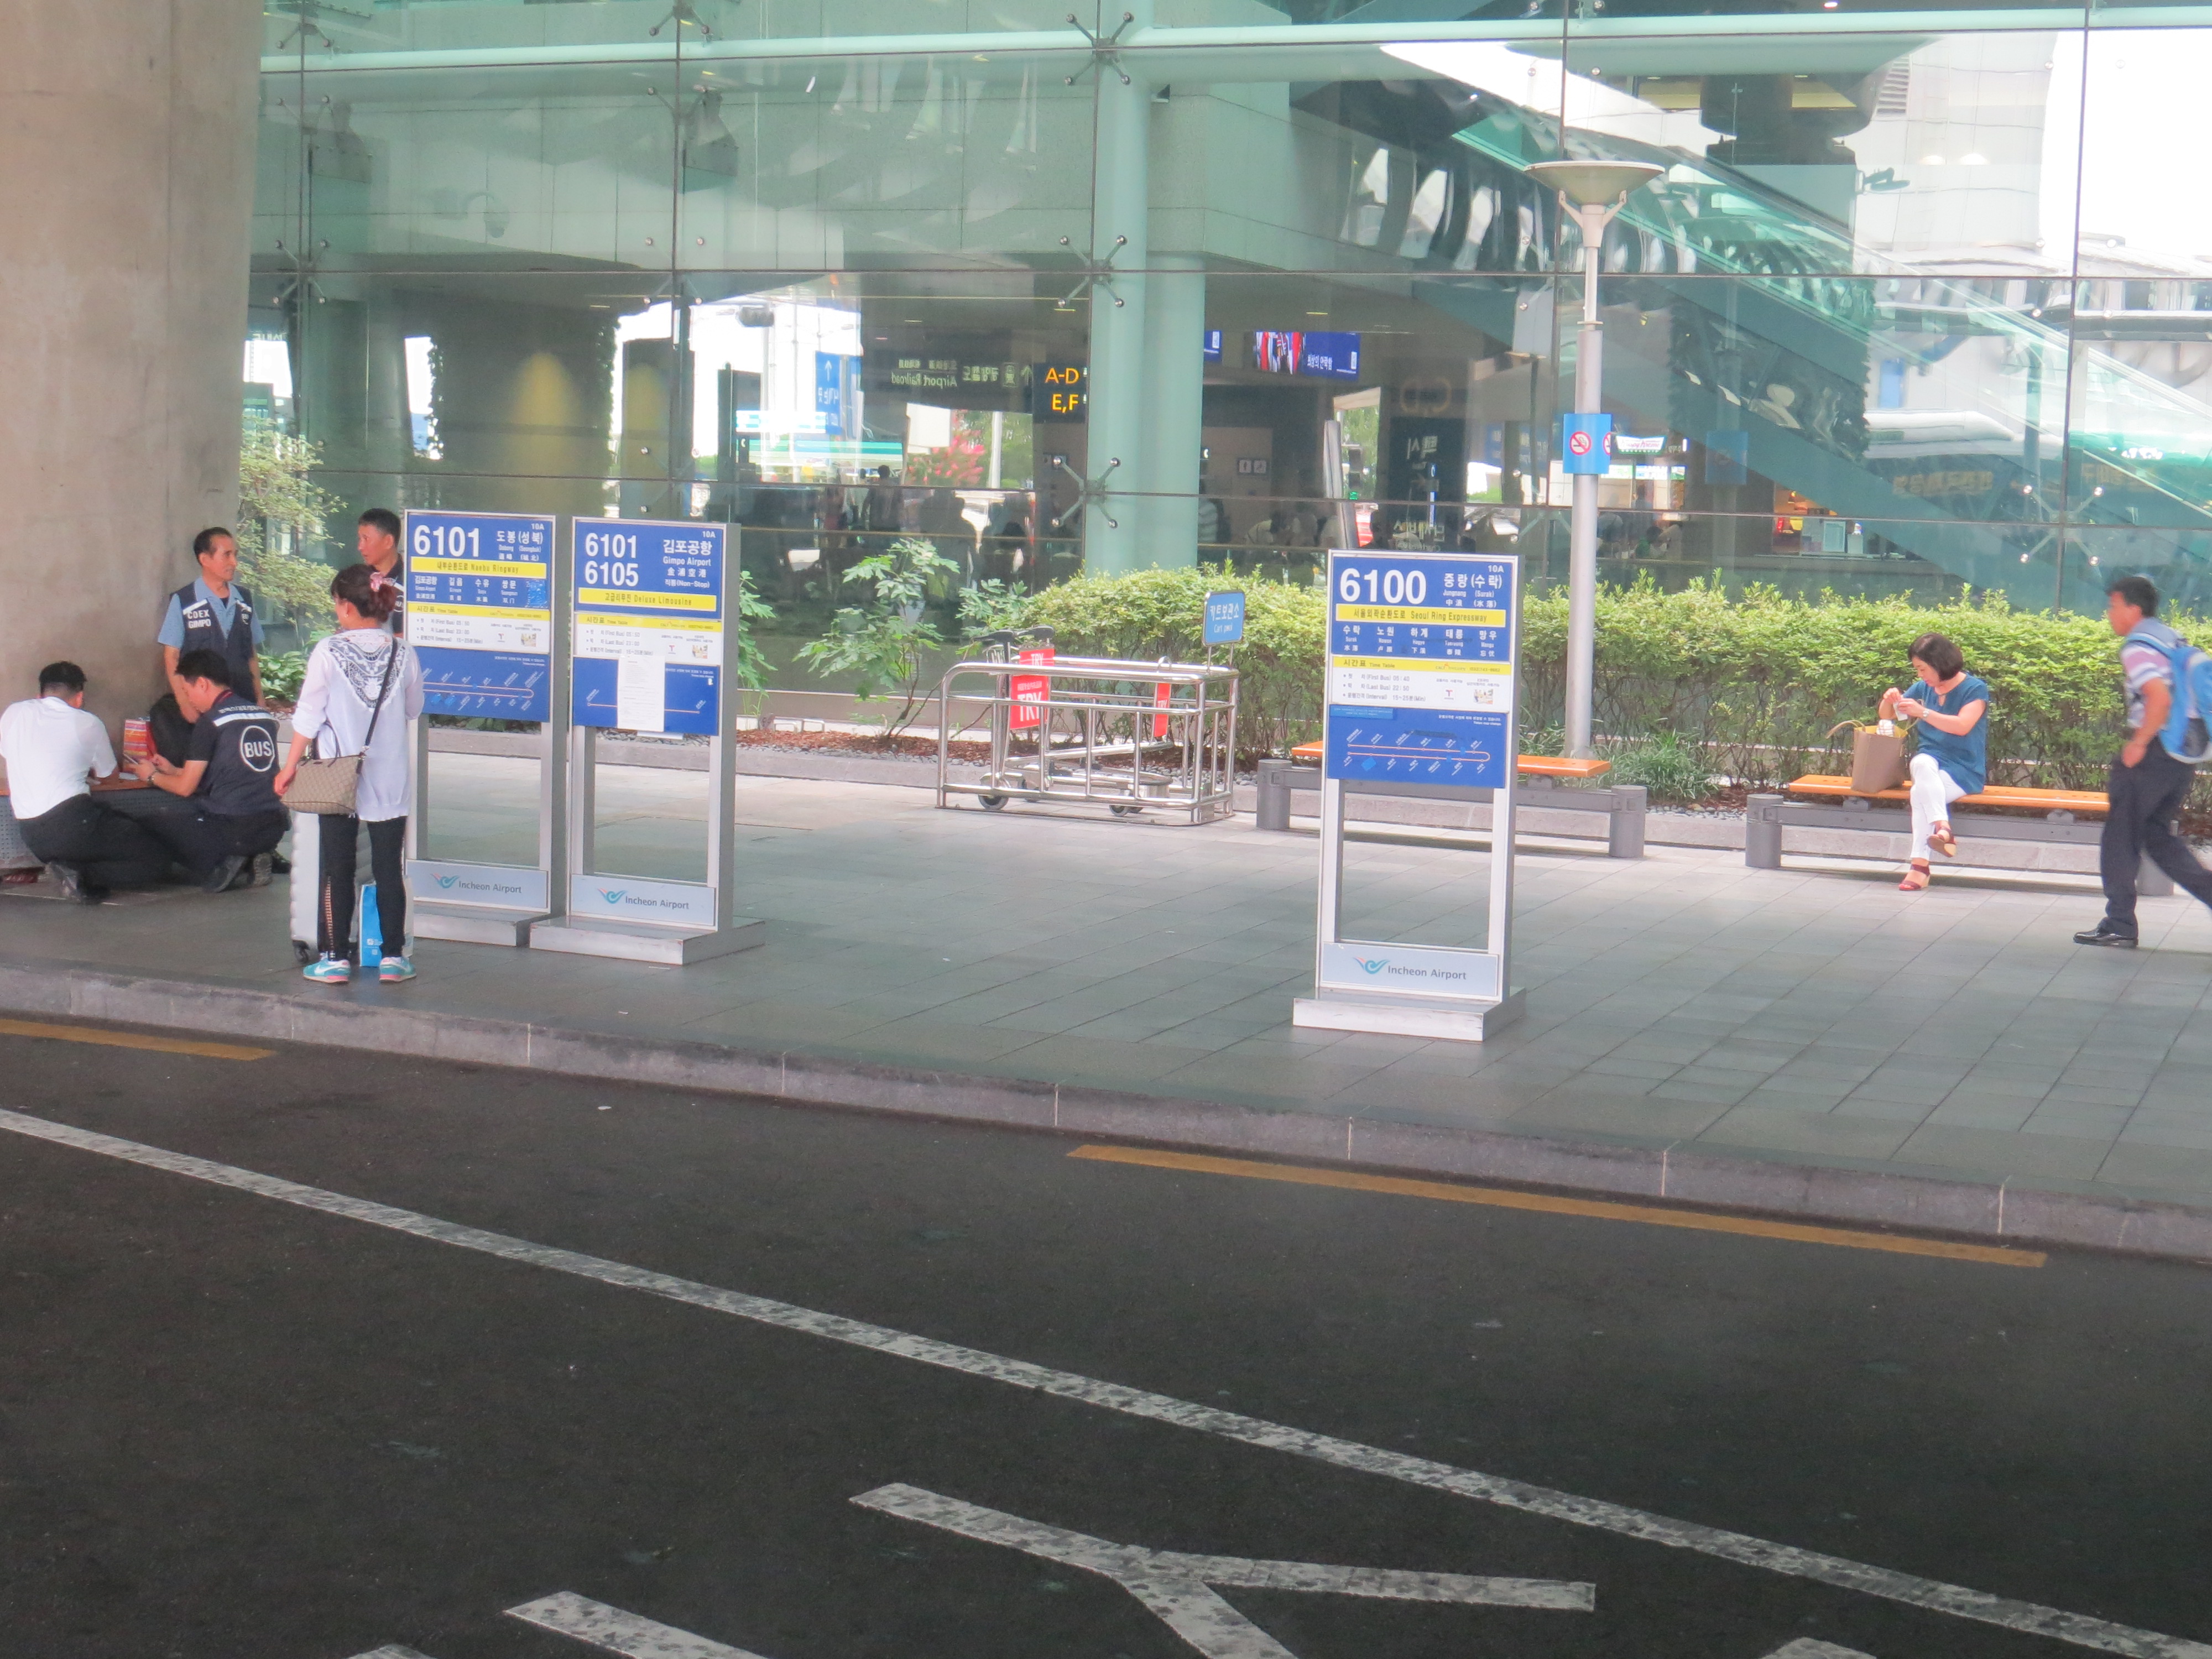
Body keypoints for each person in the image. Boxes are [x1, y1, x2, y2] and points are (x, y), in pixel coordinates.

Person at [274, 565, 425, 984]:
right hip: (390, 774)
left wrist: (289, 767)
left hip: (337, 775)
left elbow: (308, 716)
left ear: (344, 606)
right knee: (388, 867)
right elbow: (414, 709)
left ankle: (335, 957)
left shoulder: (328, 652)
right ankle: (393, 958)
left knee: (337, 867)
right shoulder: (404, 653)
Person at [2074, 575, 2212, 947]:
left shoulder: (2138, 646)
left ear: (2133, 609)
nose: (2109, 613)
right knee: (2155, 835)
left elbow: (2158, 697)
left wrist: (2139, 742)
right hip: (2182, 752)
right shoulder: (2172, 637)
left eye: (2113, 606)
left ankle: (2119, 922)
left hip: (2154, 751)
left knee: (2121, 834)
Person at [0, 662, 174, 902]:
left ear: (40, 695)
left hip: (32, 835)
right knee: (156, 859)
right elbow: (109, 777)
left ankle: (70, 870)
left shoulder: (14, 713)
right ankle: (81, 876)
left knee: (102, 837)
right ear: (79, 697)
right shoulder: (87, 722)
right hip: (73, 822)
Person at [126, 649, 289, 894]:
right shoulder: (262, 716)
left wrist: (151, 776)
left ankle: (227, 863)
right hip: (273, 825)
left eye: (187, 690)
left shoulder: (211, 721)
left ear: (202, 684)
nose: (188, 699)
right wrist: (173, 770)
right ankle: (256, 855)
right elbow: (233, 772)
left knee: (155, 822)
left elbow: (186, 788)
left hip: (233, 827)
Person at [1879, 632, 1989, 893]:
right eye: (1917, 669)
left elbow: (1962, 726)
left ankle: (1920, 868)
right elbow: (1887, 715)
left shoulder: (1975, 688)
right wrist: (1889, 699)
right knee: (1921, 762)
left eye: (1923, 669)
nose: (1920, 675)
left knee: (1919, 793)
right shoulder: (1923, 688)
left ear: (1940, 663)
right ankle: (1943, 828)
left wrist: (1924, 712)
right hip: (1931, 764)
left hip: (1964, 769)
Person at [155, 527, 264, 743]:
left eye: (235, 555)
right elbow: (171, 656)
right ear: (205, 559)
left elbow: (251, 654)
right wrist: (184, 702)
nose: (234, 562)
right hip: (203, 706)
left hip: (242, 700)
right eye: (227, 555)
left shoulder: (245, 599)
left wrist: (259, 698)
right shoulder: (184, 600)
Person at [356, 507, 405, 635]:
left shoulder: (412, 582)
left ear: (388, 541)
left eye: (366, 539)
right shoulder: (357, 582)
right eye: (360, 539)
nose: (360, 547)